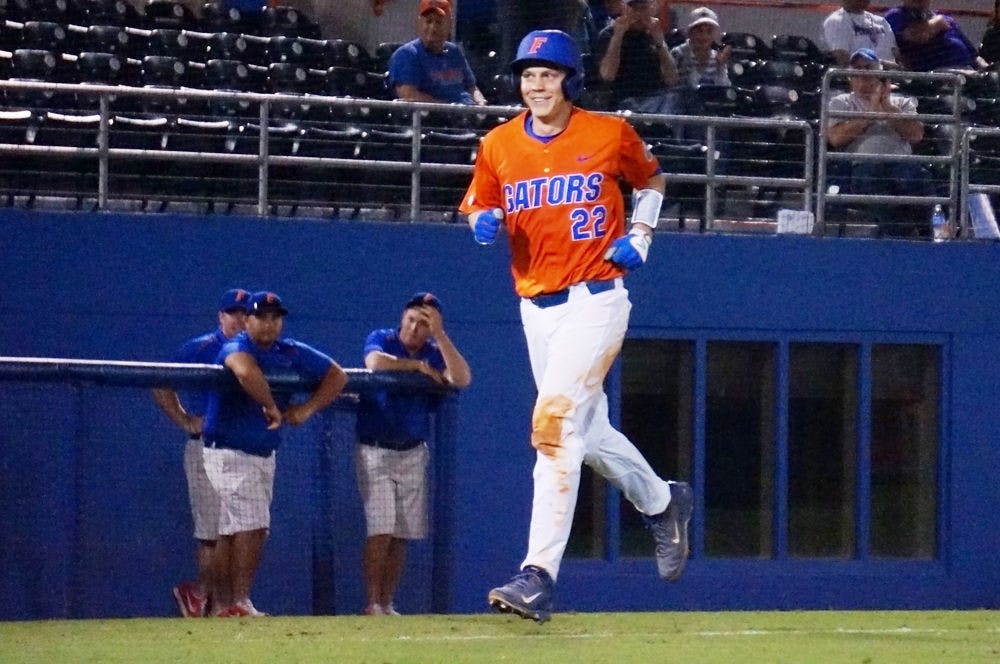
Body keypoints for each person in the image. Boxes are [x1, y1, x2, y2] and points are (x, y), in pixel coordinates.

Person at [458, 29, 693, 623]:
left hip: (597, 298)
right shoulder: (498, 143)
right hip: (536, 305)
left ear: (570, 80)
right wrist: (481, 220)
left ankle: (537, 575)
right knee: (589, 437)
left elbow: (653, 180)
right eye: (528, 74)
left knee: (554, 429)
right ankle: (664, 503)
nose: (536, 84)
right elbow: (480, 202)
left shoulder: (608, 132)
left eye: (549, 74)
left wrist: (641, 233)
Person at [202, 290, 348, 617]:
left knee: (232, 529)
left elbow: (337, 375)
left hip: (262, 453)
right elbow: (243, 370)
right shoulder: (237, 345)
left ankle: (221, 606)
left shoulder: (289, 350)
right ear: (247, 320)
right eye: (261, 317)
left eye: (274, 318)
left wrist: (308, 408)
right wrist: (270, 405)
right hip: (228, 450)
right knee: (253, 525)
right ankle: (239, 602)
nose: (268, 325)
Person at [355, 291, 471, 616]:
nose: (415, 327)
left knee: (402, 533)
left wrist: (441, 336)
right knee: (381, 528)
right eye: (411, 319)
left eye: (424, 323)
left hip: (412, 452)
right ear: (401, 318)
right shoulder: (383, 338)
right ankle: (372, 602)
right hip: (375, 449)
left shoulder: (436, 351)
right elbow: (374, 363)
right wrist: (417, 367)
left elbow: (461, 378)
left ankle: (387, 602)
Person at [153, 288, 250, 618]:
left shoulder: (258, 351)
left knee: (238, 532)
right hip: (206, 448)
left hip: (244, 451)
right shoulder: (201, 347)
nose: (238, 318)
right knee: (212, 533)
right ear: (220, 316)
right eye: (232, 313)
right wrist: (183, 419)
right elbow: (159, 381)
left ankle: (212, 597)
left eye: (243, 313)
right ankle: (214, 601)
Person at [827, 48, 932, 236]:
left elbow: (916, 135)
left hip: (901, 162)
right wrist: (870, 114)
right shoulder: (840, 102)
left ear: (881, 75)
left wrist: (888, 107)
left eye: (868, 68)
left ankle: (923, 233)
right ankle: (901, 235)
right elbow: (836, 138)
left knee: (916, 179)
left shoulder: (902, 103)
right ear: (849, 77)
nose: (863, 74)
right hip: (863, 165)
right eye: (857, 69)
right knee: (872, 179)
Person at [387, 0, 487, 105]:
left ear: (449, 24)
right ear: (420, 23)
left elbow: (471, 87)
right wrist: (447, 109)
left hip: (469, 113)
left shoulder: (454, 52)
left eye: (439, 22)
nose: (433, 28)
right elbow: (409, 95)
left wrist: (481, 103)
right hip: (435, 117)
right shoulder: (407, 54)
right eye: (428, 21)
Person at [596, 0, 680, 114]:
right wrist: (618, 36)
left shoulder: (656, 34)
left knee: (680, 98)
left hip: (656, 99)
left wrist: (660, 43)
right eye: (634, 8)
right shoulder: (608, 35)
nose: (639, 13)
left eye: (643, 8)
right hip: (623, 99)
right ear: (624, 9)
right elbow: (607, 75)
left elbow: (672, 79)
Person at [883, 0, 989, 72]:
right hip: (939, 78)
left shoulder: (949, 20)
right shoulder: (896, 16)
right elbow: (918, 36)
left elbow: (975, 56)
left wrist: (988, 69)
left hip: (970, 73)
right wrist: (936, 23)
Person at [822, 0, 900, 67]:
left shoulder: (881, 22)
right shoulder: (836, 21)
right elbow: (843, 60)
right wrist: (878, 66)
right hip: (861, 79)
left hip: (889, 78)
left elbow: (895, 54)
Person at [670, 7, 730, 90]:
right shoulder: (678, 53)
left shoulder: (717, 56)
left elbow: (724, 88)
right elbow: (688, 86)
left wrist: (720, 66)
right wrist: (702, 64)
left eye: (709, 31)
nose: (704, 36)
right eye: (699, 31)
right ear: (690, 32)